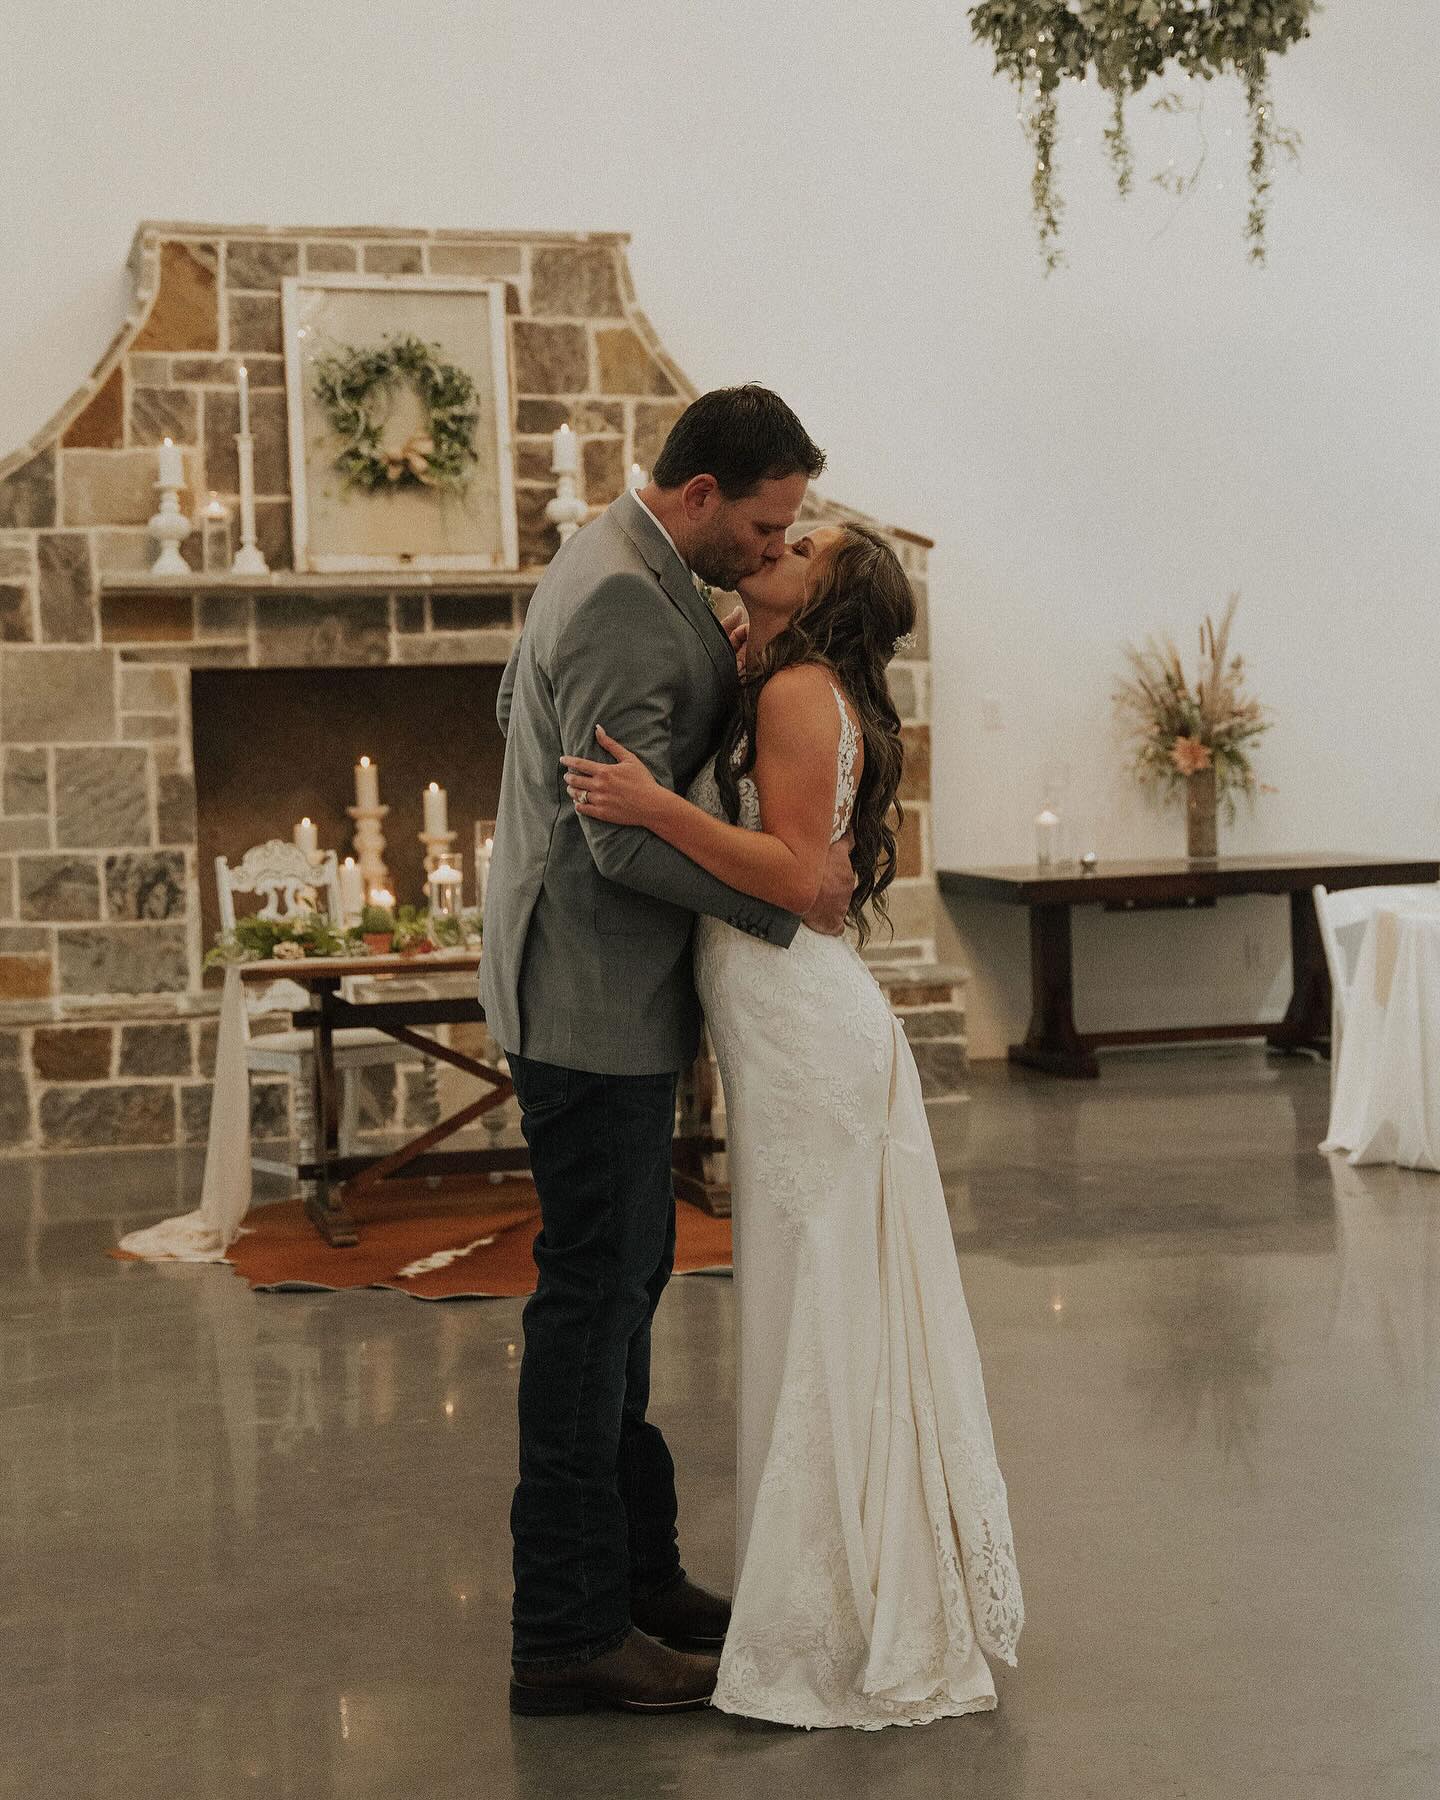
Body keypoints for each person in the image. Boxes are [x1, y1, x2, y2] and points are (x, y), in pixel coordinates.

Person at [562, 521, 1024, 1729]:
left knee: (825, 1299)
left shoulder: (808, 692)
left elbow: (807, 879)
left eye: (804, 540)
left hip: (806, 1031)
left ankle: (840, 1613)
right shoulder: (773, 674)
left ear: (826, 594)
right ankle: (834, 1586)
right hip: (776, 1032)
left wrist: (657, 808)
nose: (780, 537)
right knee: (812, 1293)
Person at [483, 386, 855, 1715]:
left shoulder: (637, 561)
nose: (770, 547)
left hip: (612, 993)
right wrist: (782, 909)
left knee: (627, 1297)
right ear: (700, 493)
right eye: (762, 524)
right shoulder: (623, 601)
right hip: (588, 1003)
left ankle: (641, 1581)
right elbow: (620, 838)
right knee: (593, 1308)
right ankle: (566, 1630)